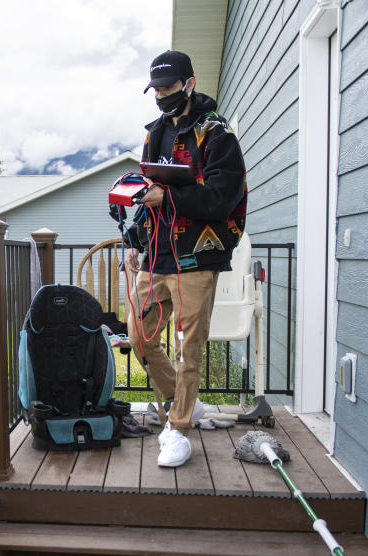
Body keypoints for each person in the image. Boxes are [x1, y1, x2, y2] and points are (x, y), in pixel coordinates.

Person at [124, 50, 248, 468]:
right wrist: (136, 238)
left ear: (189, 84)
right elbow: (148, 193)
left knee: (187, 348)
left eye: (168, 87)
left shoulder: (218, 134)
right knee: (140, 334)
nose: (160, 95)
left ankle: (177, 430)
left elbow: (222, 197)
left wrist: (170, 195)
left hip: (198, 254)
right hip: (157, 254)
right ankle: (182, 400)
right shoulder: (154, 133)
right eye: (155, 88)